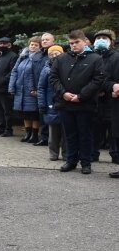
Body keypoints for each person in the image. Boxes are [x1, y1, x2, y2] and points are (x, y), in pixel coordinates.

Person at [50, 29, 105, 174]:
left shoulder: (95, 59)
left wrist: (81, 96)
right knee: (70, 134)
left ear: (85, 41)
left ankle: (86, 163)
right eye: (71, 43)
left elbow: (98, 79)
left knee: (85, 134)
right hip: (65, 103)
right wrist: (63, 93)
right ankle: (71, 160)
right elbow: (53, 77)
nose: (73, 45)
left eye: (76, 42)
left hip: (85, 104)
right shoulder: (62, 58)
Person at [8, 36, 46, 144]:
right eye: (31, 44)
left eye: (36, 45)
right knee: (25, 113)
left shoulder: (40, 58)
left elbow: (40, 74)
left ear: (40, 47)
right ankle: (28, 133)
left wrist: (37, 89)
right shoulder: (23, 56)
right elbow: (14, 71)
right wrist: (12, 86)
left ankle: (34, 135)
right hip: (21, 89)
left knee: (34, 113)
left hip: (32, 90)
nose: (33, 46)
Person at [93, 30, 119, 164]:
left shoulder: (116, 57)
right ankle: (93, 154)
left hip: (111, 100)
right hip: (95, 100)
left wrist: (107, 88)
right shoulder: (92, 56)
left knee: (113, 129)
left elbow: (112, 79)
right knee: (95, 128)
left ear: (111, 41)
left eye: (104, 38)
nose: (100, 40)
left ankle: (115, 155)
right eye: (98, 38)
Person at [38, 45, 66, 161]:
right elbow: (41, 88)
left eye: (57, 53)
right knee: (53, 132)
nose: (54, 56)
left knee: (66, 132)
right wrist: (42, 104)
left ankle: (67, 154)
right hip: (51, 104)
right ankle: (53, 153)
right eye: (51, 54)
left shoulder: (67, 67)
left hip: (65, 103)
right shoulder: (46, 70)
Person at [0, 37, 18, 136]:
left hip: (4, 88)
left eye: (4, 43)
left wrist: (2, 81)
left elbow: (12, 72)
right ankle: (1, 127)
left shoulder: (13, 56)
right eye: (0, 43)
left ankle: (8, 129)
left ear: (9, 45)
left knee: (6, 110)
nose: (1, 45)